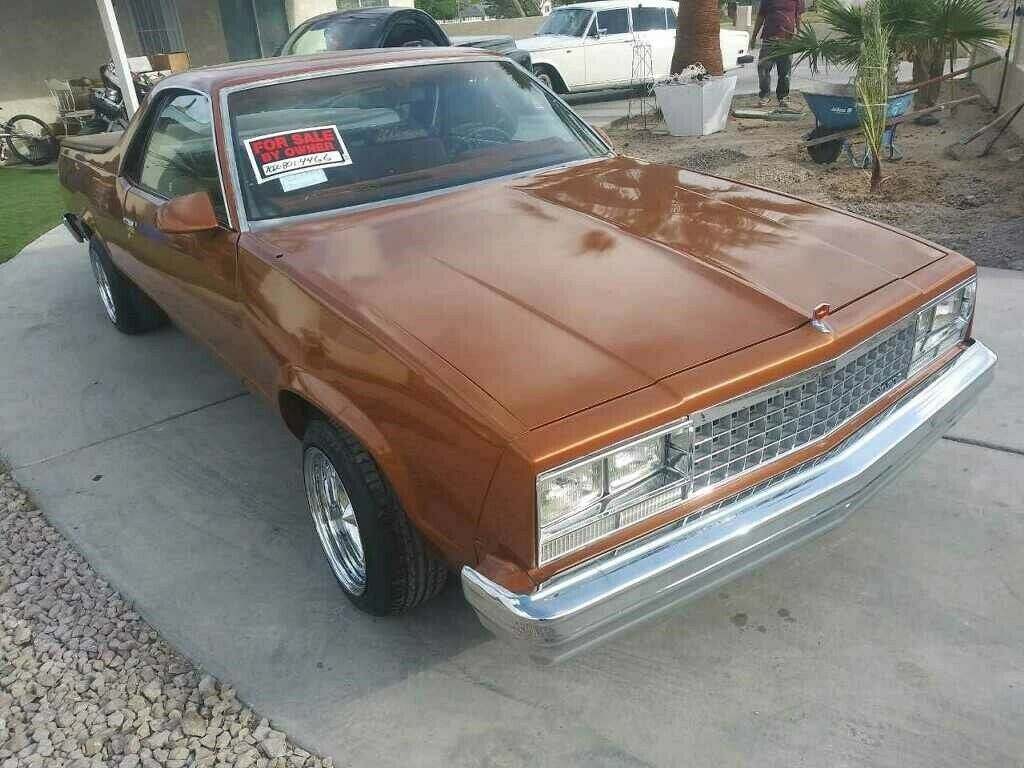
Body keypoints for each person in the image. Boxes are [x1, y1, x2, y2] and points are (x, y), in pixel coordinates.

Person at [751, 0, 804, 110]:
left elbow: (798, 16)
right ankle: (765, 96)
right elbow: (761, 16)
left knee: (784, 72)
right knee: (763, 69)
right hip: (769, 38)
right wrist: (753, 36)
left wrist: (800, 33)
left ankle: (783, 97)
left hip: (787, 40)